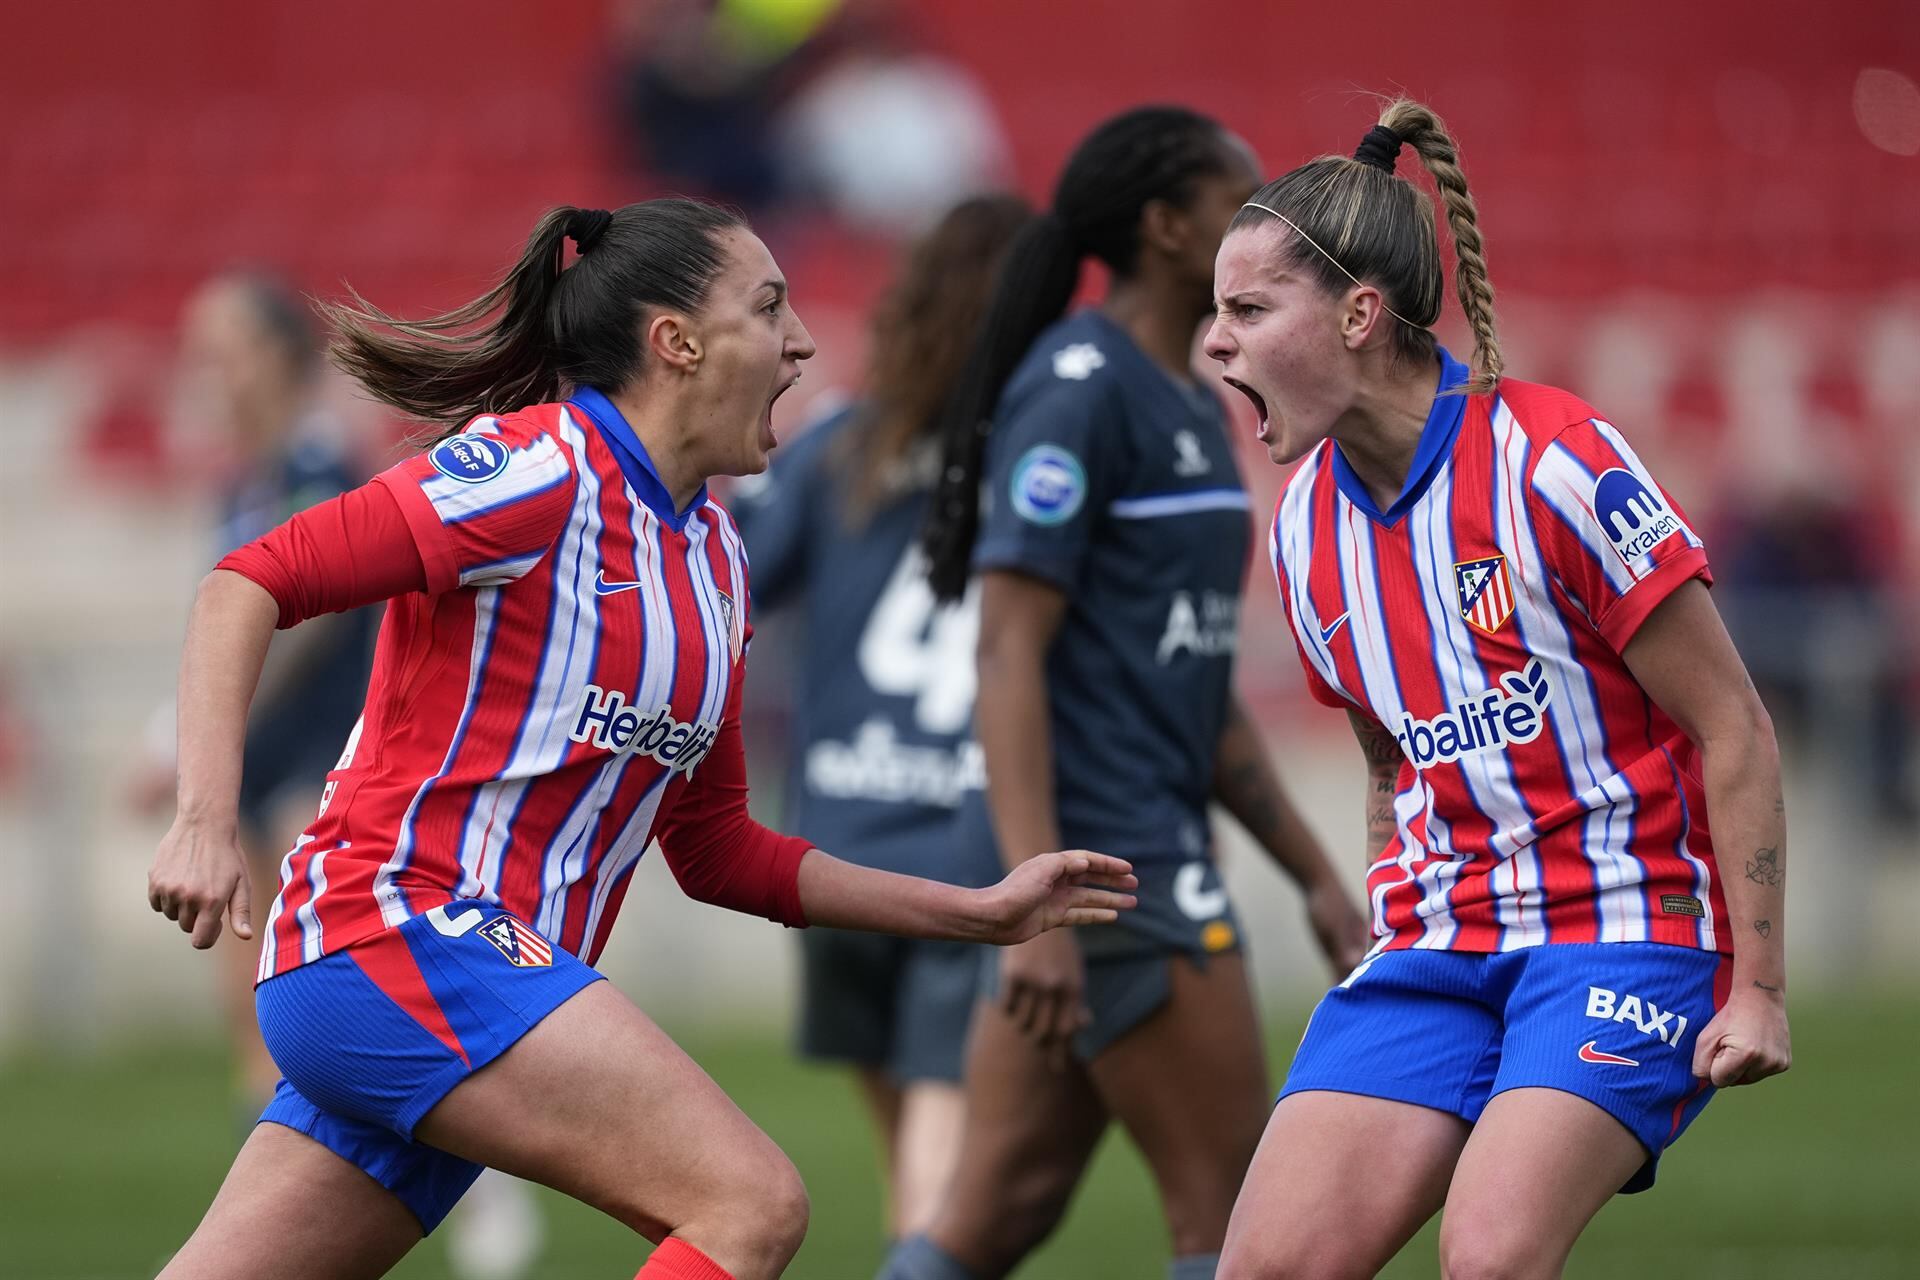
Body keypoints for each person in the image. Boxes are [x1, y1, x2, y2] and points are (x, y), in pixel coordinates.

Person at [143, 197, 1137, 1280]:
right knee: (747, 1204)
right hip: (395, 932)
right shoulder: (536, 469)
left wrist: (976, 911)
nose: (803, 341)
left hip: (449, 986)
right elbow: (250, 580)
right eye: (770, 307)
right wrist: (204, 819)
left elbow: (719, 851)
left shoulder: (717, 558)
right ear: (677, 342)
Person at [1203, 99, 1792, 1279]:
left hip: (1620, 929)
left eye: (1249, 310)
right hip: (1438, 939)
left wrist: (1762, 986)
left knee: (1488, 1255)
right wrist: (1390, 914)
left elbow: (1733, 722)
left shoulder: (1557, 462)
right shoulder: (1304, 528)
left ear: (1361, 315)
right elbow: (1388, 756)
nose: (1214, 342)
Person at [879, 109, 1369, 1280]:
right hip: (1112, 871)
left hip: (1116, 862)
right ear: (1165, 228)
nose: (1264, 220)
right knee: (1242, 1222)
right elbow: (1005, 653)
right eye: (1237, 198)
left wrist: (1312, 870)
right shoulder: (1081, 390)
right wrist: (1034, 893)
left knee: (992, 1212)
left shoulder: (1187, 397)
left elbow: (1191, 683)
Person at [730, 193, 1033, 1243]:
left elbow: (729, 583)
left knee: (908, 1128)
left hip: (838, 836)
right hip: (968, 836)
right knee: (939, 1120)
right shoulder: (1047, 455)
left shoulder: (842, 445)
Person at [131, 271, 376, 1111]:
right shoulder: (246, 483)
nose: (207, 375)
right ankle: (267, 1126)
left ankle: (458, 1140)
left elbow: (310, 626)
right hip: (258, 748)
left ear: (275, 356)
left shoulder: (321, 464)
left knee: (327, 966)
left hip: (325, 746)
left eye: (223, 353)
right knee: (249, 972)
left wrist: (191, 734)